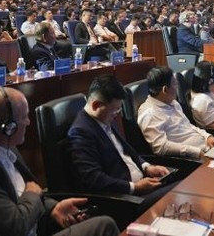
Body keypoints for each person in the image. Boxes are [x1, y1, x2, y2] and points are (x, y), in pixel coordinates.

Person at [0, 87, 119, 236]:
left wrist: (53, 208)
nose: (28, 122)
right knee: (104, 227)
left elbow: (23, 194)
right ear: (9, 127)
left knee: (103, 225)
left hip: (34, 227)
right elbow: (13, 228)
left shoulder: (5, 145)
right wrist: (32, 194)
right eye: (24, 116)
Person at [68, 75, 173, 211]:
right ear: (96, 105)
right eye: (115, 110)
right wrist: (134, 187)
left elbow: (126, 151)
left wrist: (146, 167)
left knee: (180, 184)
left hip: (142, 183)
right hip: (126, 199)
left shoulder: (104, 117)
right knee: (178, 190)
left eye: (119, 109)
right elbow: (94, 179)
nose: (117, 114)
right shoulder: (80, 132)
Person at [137, 66, 214, 158]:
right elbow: (161, 147)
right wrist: (196, 152)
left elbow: (188, 126)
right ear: (165, 90)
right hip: (194, 157)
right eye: (175, 84)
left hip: (207, 148)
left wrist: (207, 136)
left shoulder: (173, 103)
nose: (177, 86)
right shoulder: (150, 114)